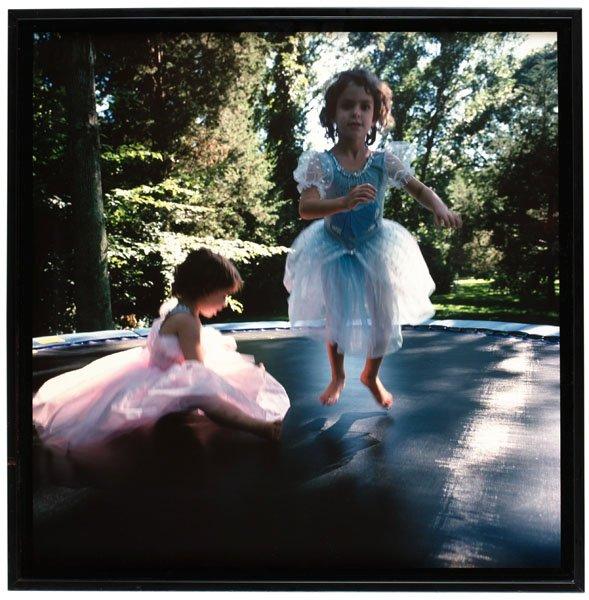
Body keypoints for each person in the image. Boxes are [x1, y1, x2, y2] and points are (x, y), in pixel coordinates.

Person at [284, 68, 462, 409]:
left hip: (375, 244)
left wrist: (439, 207)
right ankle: (338, 376)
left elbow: (419, 189)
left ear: (375, 116)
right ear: (333, 114)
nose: (356, 113)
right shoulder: (321, 163)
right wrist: (343, 202)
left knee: (384, 316)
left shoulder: (383, 161)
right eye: (348, 105)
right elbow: (306, 208)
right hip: (332, 246)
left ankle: (371, 374)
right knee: (335, 319)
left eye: (365, 106)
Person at [34, 248, 289, 452]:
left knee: (234, 376)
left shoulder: (176, 308)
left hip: (158, 369)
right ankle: (260, 427)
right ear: (205, 289)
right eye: (222, 295)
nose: (224, 303)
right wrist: (230, 383)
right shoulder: (187, 321)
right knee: (208, 395)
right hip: (166, 378)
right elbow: (199, 373)